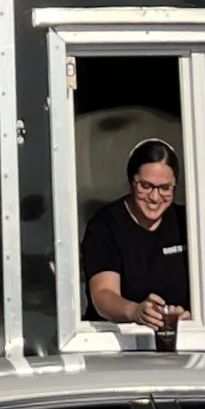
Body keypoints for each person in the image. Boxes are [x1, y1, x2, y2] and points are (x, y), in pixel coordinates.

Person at [82, 141, 190, 332]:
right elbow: (102, 294)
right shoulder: (105, 226)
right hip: (120, 343)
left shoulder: (187, 222)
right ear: (131, 182)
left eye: (165, 188)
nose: (155, 197)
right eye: (146, 186)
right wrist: (135, 311)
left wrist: (191, 316)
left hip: (182, 340)